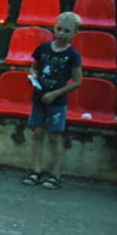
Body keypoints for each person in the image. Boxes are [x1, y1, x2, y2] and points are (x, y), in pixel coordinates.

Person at [22, 12, 82, 190]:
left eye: (67, 31)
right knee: (37, 133)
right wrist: (32, 76)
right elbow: (35, 69)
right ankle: (36, 170)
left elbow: (77, 81)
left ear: (74, 33)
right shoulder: (43, 49)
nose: (62, 34)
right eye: (59, 29)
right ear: (54, 28)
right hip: (39, 98)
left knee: (55, 137)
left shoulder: (72, 55)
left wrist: (55, 94)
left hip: (56, 101)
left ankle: (56, 174)